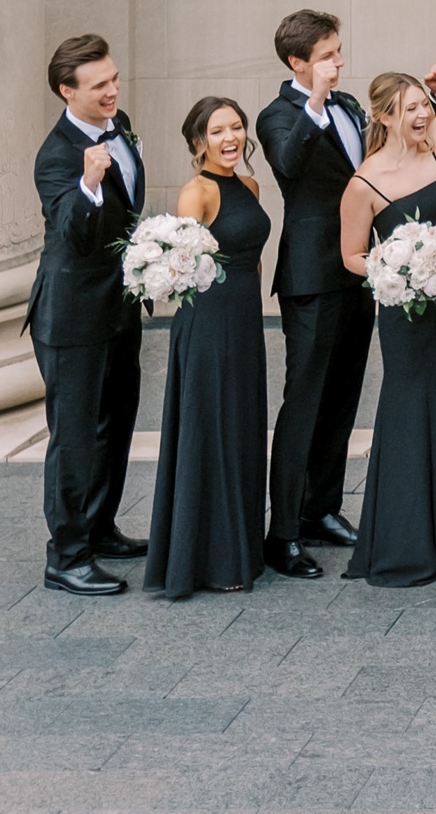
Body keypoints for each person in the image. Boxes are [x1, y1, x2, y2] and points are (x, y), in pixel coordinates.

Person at [338, 0, 436, 588]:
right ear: (385, 116)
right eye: (413, 110)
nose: (425, 115)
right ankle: (407, 539)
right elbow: (350, 255)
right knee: (410, 408)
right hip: (406, 313)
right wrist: (392, 270)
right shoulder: (364, 183)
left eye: (427, 107)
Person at [255, 8, 372, 580]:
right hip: (311, 277)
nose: (339, 62)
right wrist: (315, 104)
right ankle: (283, 534)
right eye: (328, 55)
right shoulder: (277, 115)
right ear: (298, 62)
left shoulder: (350, 106)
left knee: (343, 398)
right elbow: (288, 164)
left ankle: (323, 507)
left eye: (339, 51)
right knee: (304, 404)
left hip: (360, 271)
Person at [29, 34, 146, 596]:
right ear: (66, 90)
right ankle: (67, 556)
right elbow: (74, 233)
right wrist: (89, 183)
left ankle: (99, 527)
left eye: (114, 78)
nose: (113, 91)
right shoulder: (56, 155)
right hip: (72, 317)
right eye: (99, 85)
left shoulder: (117, 127)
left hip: (118, 307)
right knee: (73, 437)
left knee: (115, 423)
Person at [145, 96, 270, 597]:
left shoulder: (251, 184)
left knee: (241, 427)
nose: (230, 138)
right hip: (208, 324)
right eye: (218, 131)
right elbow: (183, 270)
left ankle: (240, 548)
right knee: (211, 430)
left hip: (244, 323)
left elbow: (254, 259)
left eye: (236, 127)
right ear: (199, 141)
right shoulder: (195, 194)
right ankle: (211, 560)